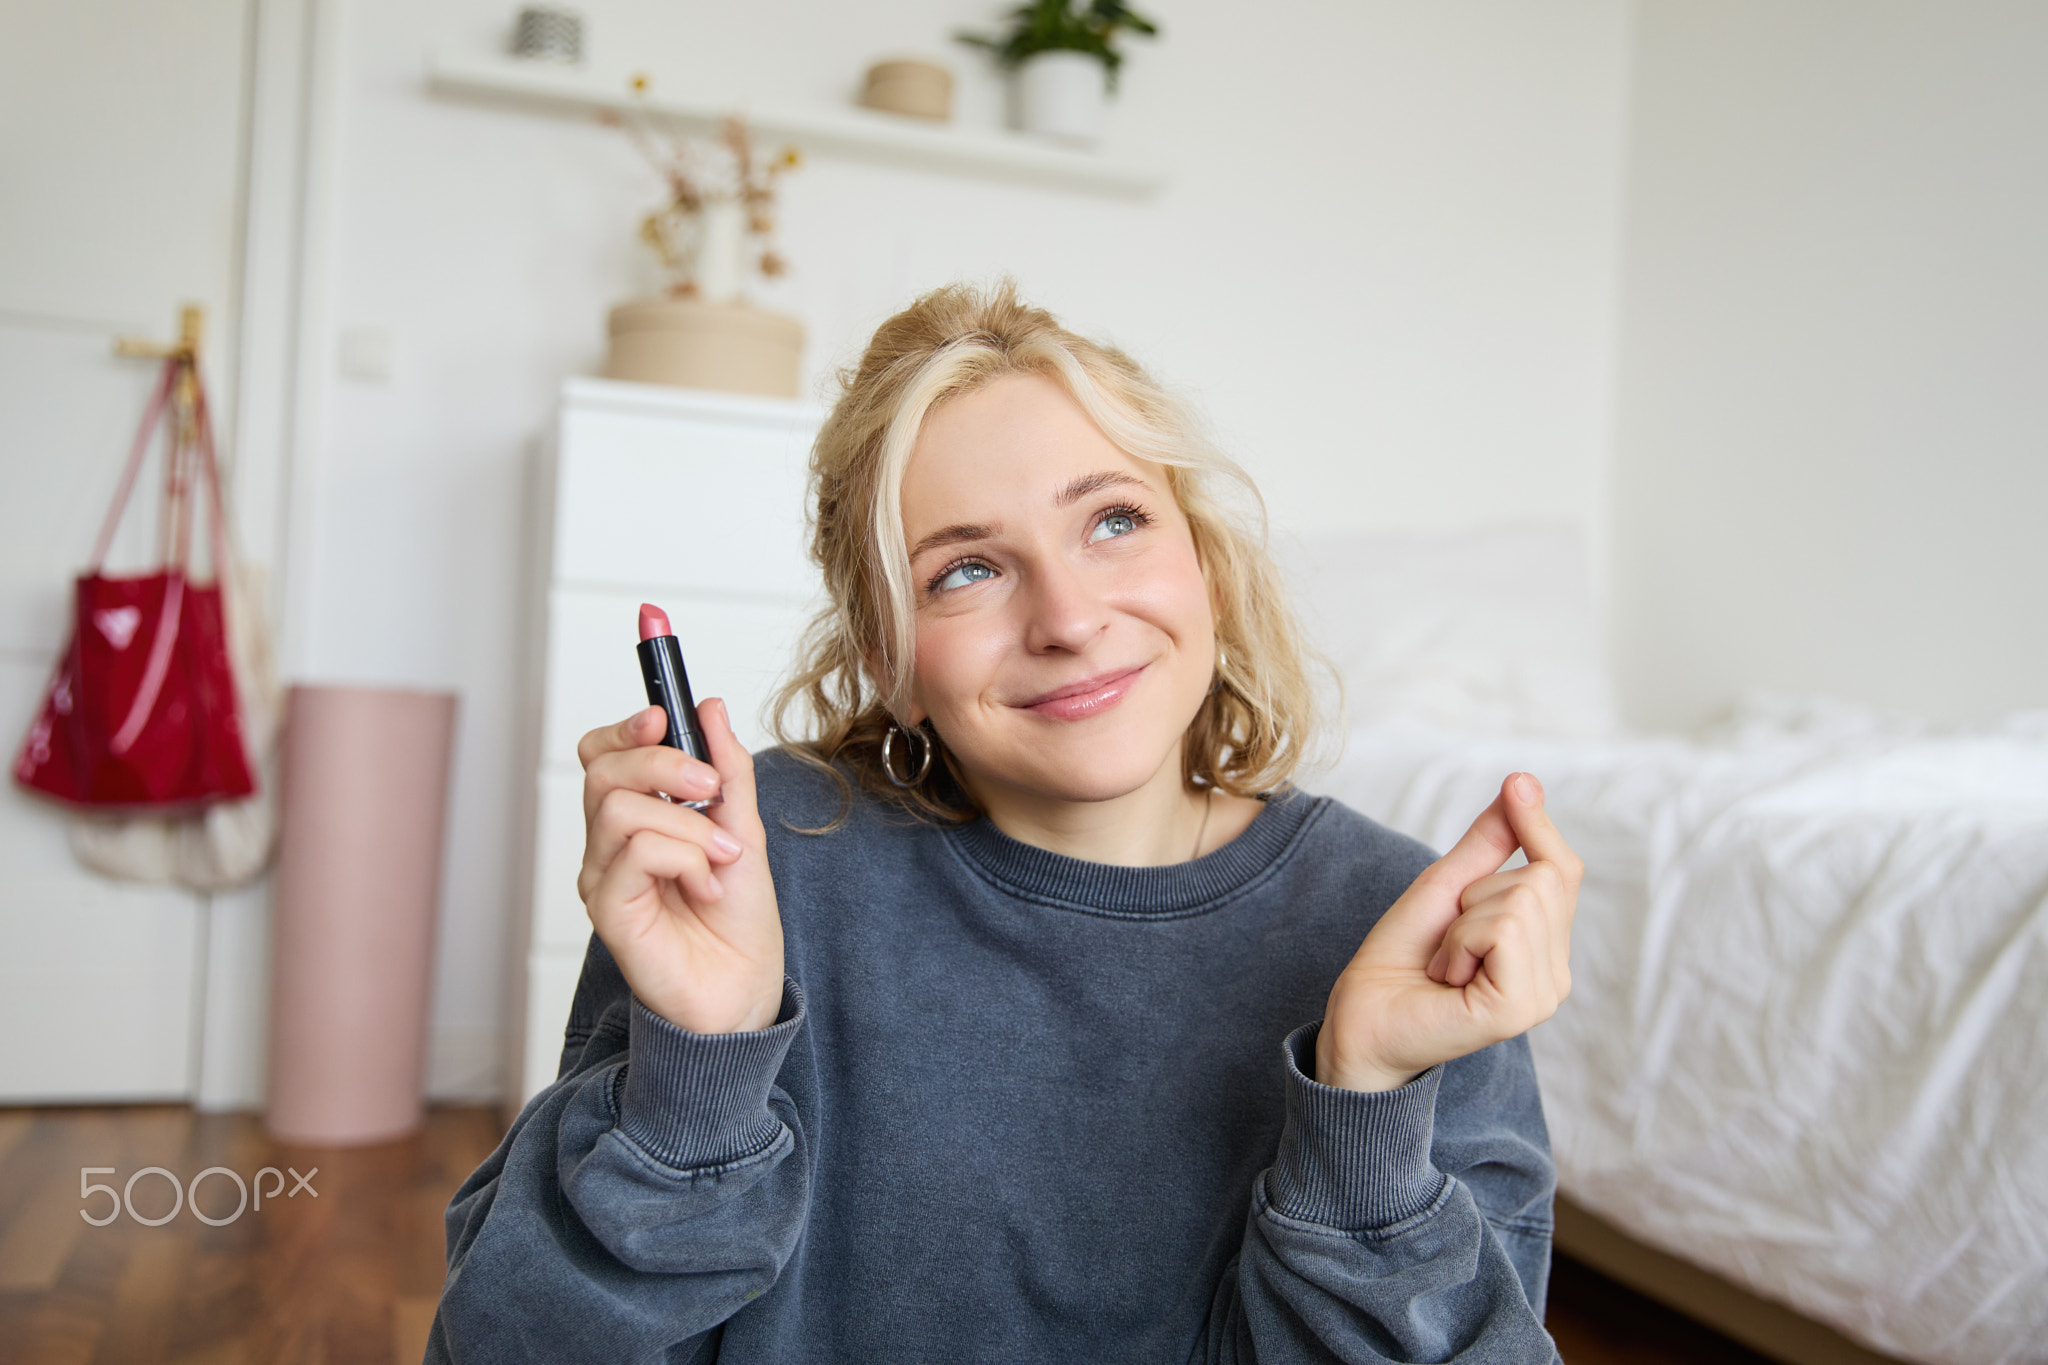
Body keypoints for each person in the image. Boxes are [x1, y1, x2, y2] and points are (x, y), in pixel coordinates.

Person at [428, 282, 1579, 1364]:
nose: (1069, 618)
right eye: (966, 570)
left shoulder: (1402, 932)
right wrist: (699, 1074)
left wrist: (1365, 1101)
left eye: (1115, 521)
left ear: (1207, 571)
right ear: (888, 659)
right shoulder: (748, 861)